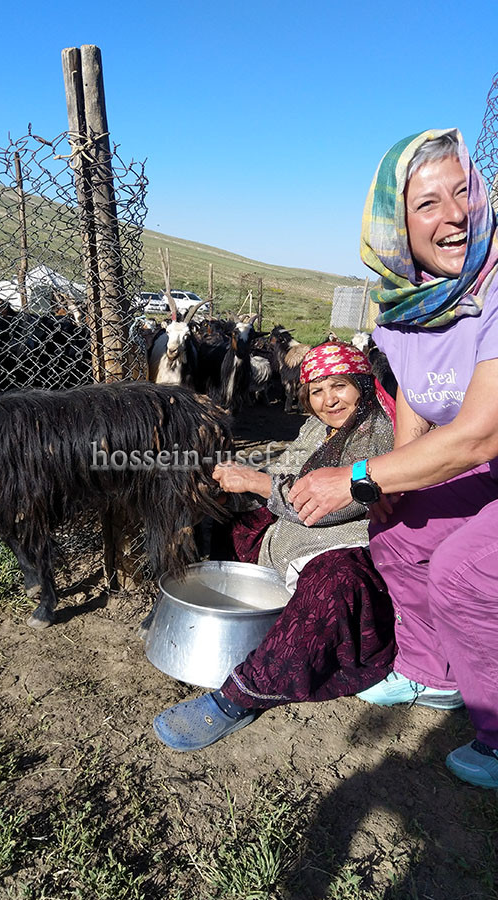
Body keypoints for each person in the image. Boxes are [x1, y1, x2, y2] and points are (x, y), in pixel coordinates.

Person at [286, 128, 498, 789]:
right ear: (396, 226)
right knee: (398, 533)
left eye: (464, 193)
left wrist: (360, 476)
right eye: (428, 203)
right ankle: (434, 675)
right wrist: (394, 483)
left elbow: (479, 436)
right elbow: (415, 395)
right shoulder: (406, 307)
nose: (455, 215)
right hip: (483, 464)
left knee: (465, 571)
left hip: (485, 450)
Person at [153, 341, 398, 751]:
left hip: (343, 548)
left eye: (339, 386)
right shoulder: (317, 428)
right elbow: (284, 471)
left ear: (362, 383)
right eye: (316, 391)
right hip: (290, 537)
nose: (328, 400)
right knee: (231, 520)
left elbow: (331, 508)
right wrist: (234, 485)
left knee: (334, 584)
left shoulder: (379, 432)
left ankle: (238, 697)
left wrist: (255, 481)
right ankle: (240, 618)